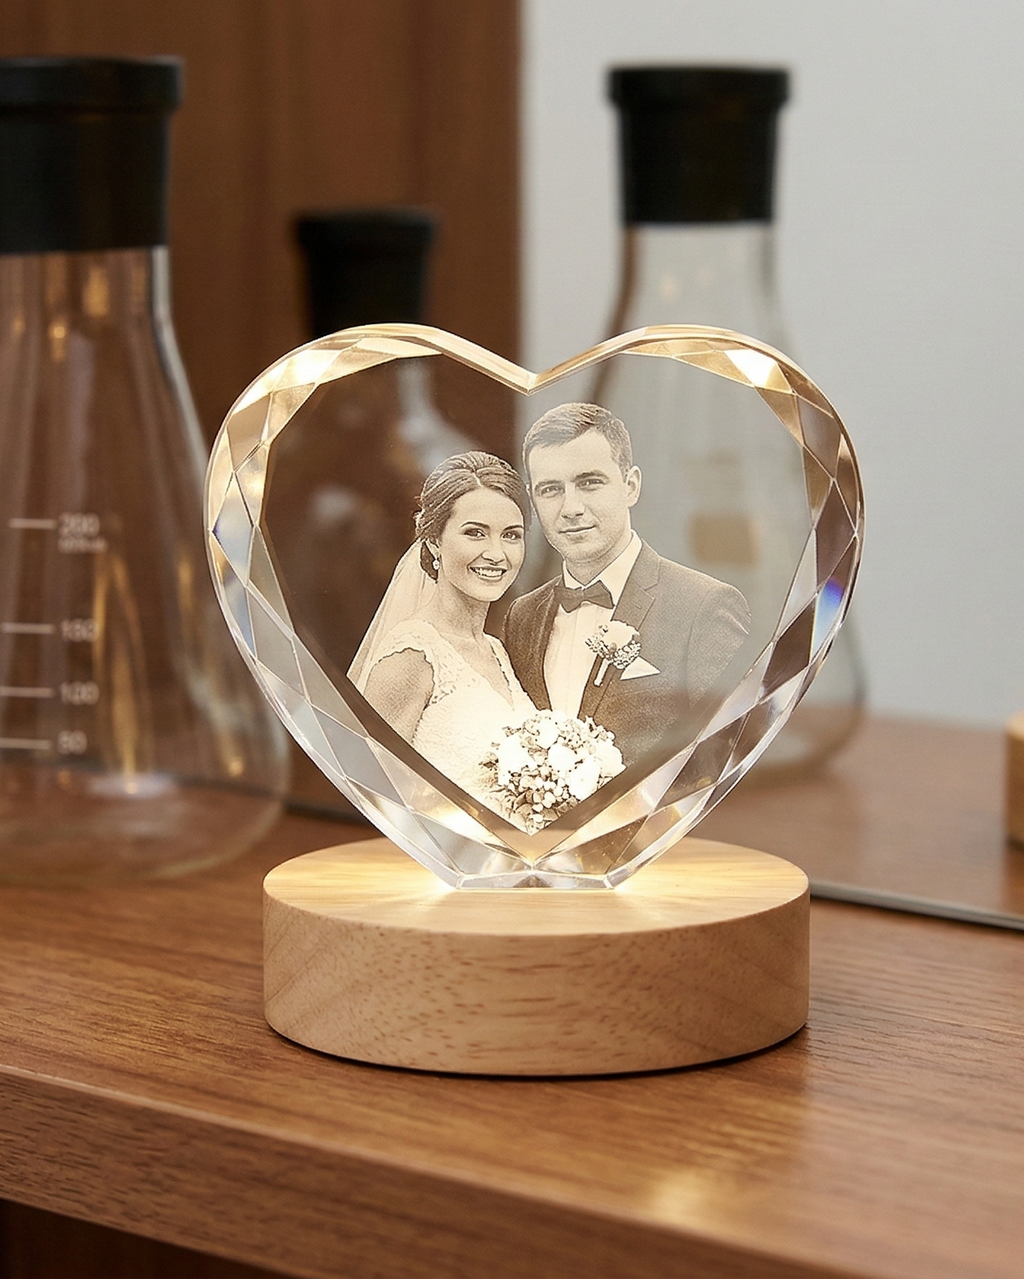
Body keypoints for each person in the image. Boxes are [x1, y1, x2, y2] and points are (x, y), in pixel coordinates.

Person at [504, 403, 750, 768]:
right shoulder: (522, 616)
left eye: (589, 483)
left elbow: (729, 760)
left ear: (630, 486)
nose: (571, 507)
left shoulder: (705, 607)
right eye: (550, 489)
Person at [349, 451, 534, 802]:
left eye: (511, 535)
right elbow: (373, 796)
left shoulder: (494, 649)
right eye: (475, 533)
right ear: (434, 540)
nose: (497, 553)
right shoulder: (411, 655)